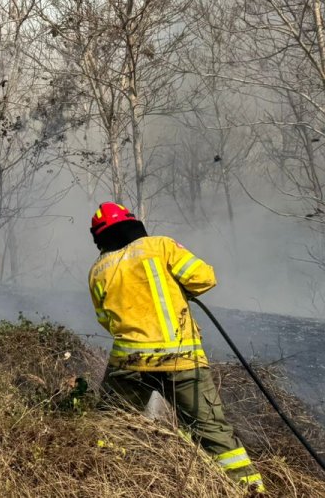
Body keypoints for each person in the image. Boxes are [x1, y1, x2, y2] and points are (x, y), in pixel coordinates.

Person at [87, 201, 265, 493]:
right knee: (213, 434)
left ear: (99, 238)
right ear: (133, 225)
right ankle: (249, 489)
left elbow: (105, 319)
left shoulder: (98, 270)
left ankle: (104, 484)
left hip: (129, 364)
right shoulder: (161, 246)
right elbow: (205, 278)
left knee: (110, 428)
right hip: (181, 361)